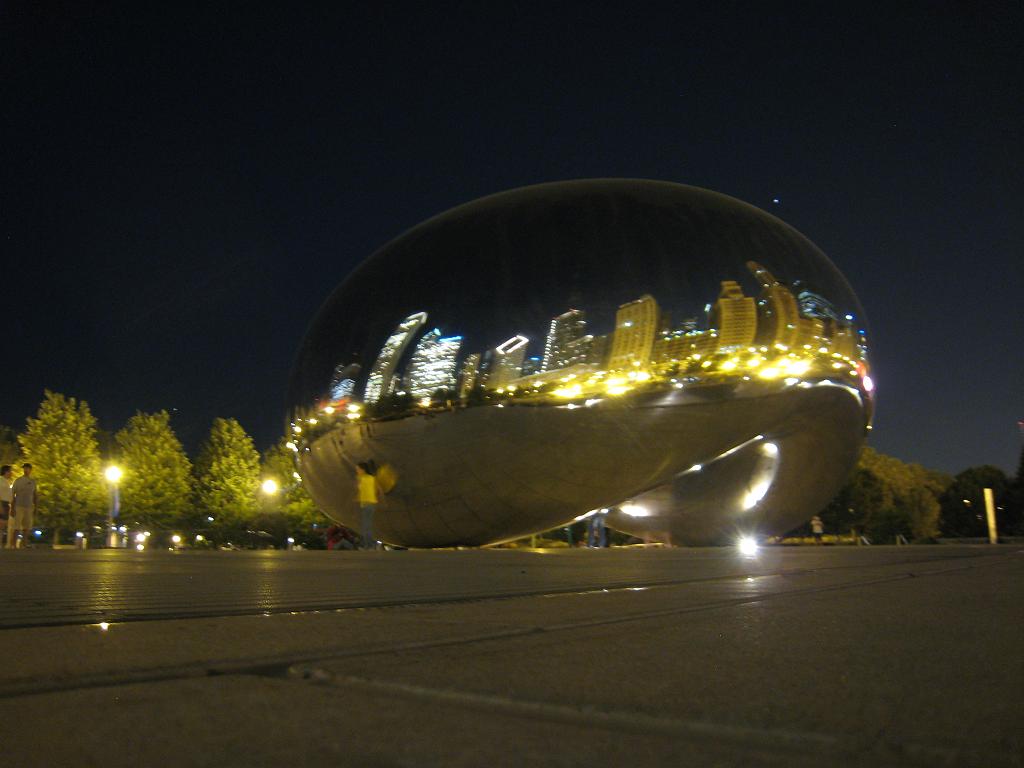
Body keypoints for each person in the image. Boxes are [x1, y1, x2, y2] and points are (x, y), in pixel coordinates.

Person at [11, 463, 37, 549]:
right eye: (24, 468)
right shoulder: (18, 481)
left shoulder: (33, 482)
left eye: (27, 468)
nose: (26, 470)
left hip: (29, 506)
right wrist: (12, 507)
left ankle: (24, 544)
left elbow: (35, 494)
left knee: (27, 526)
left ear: (30, 470)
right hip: (19, 505)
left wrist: (36, 506)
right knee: (16, 526)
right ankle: (14, 544)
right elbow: (13, 495)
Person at [355, 462, 379, 550]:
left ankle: (369, 545)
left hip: (367, 504)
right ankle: (369, 545)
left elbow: (364, 491)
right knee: (367, 526)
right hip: (370, 503)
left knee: (366, 526)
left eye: (358, 469)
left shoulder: (363, 478)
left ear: (363, 469)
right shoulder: (372, 478)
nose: (357, 471)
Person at [0, 465, 13, 548]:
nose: (11, 473)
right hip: (2, 503)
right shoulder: (1, 481)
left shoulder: (7, 482)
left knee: (3, 525)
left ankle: (1, 543)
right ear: (6, 471)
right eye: (10, 471)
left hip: (6, 504)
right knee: (1, 524)